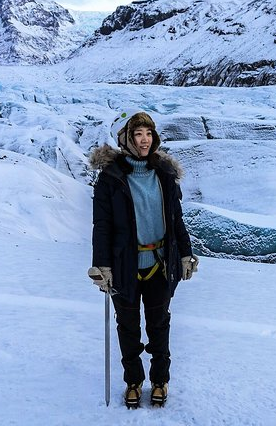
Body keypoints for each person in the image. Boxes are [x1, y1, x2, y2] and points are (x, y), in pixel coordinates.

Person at [88, 111, 198, 408]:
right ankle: (134, 382)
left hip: (160, 264)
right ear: (126, 139)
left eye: (148, 133)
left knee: (159, 325)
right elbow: (103, 225)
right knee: (128, 327)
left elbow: (176, 220)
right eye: (138, 134)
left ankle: (160, 381)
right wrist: (101, 266)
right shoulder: (110, 178)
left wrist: (186, 253)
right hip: (125, 266)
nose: (144, 140)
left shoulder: (163, 174)